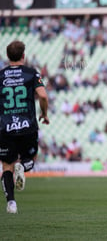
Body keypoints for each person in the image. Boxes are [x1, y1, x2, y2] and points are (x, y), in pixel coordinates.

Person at [0, 41, 49, 214]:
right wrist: (44, 113)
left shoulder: (1, 75)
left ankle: (11, 203)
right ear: (23, 56)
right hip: (27, 125)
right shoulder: (31, 74)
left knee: (6, 166)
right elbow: (43, 95)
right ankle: (25, 166)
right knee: (30, 158)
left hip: (5, 127)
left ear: (8, 56)